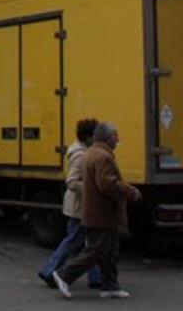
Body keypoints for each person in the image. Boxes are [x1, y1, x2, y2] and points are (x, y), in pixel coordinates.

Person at [52, 121, 143, 300]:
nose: (118, 139)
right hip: (101, 212)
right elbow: (107, 184)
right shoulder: (103, 157)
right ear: (108, 137)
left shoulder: (93, 153)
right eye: (116, 136)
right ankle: (64, 275)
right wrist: (130, 191)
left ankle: (110, 286)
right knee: (97, 250)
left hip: (100, 212)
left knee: (110, 251)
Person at [38, 118, 103, 289]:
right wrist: (93, 188)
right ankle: (49, 270)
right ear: (88, 137)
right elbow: (72, 181)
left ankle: (96, 278)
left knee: (90, 242)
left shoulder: (84, 151)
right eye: (95, 135)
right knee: (76, 241)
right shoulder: (80, 156)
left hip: (82, 206)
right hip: (80, 207)